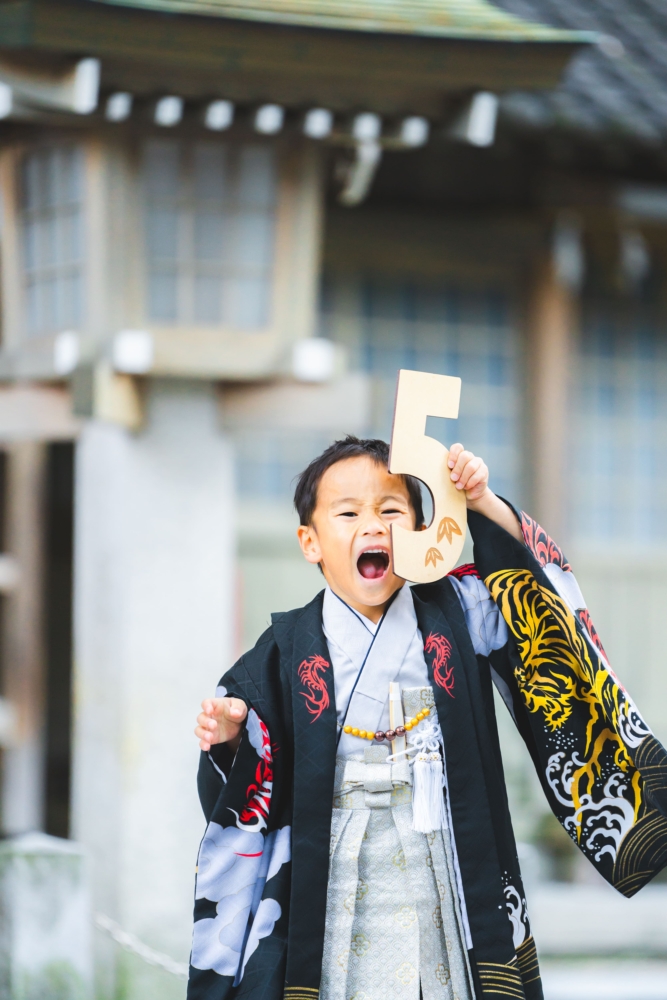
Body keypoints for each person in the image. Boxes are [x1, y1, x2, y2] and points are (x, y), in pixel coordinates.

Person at [188, 437, 667, 1000]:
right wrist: (235, 740)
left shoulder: (460, 611)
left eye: (392, 511)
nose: (373, 526)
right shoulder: (284, 649)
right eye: (348, 513)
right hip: (334, 872)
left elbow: (541, 605)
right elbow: (250, 781)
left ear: (421, 530)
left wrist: (484, 502)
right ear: (310, 542)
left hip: (445, 859)